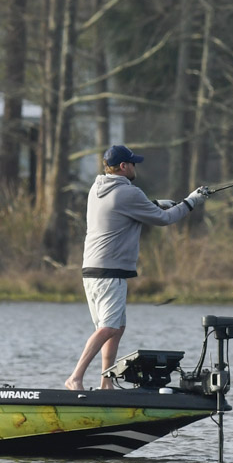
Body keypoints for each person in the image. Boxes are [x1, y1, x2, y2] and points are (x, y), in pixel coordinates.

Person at [64, 145, 208, 391]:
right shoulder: (128, 192)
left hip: (93, 269)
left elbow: (121, 210)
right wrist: (191, 201)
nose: (135, 167)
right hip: (110, 272)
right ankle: (75, 377)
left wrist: (155, 203)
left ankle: (106, 383)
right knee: (109, 327)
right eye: (133, 163)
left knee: (116, 328)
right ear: (123, 166)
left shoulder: (97, 188)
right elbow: (164, 219)